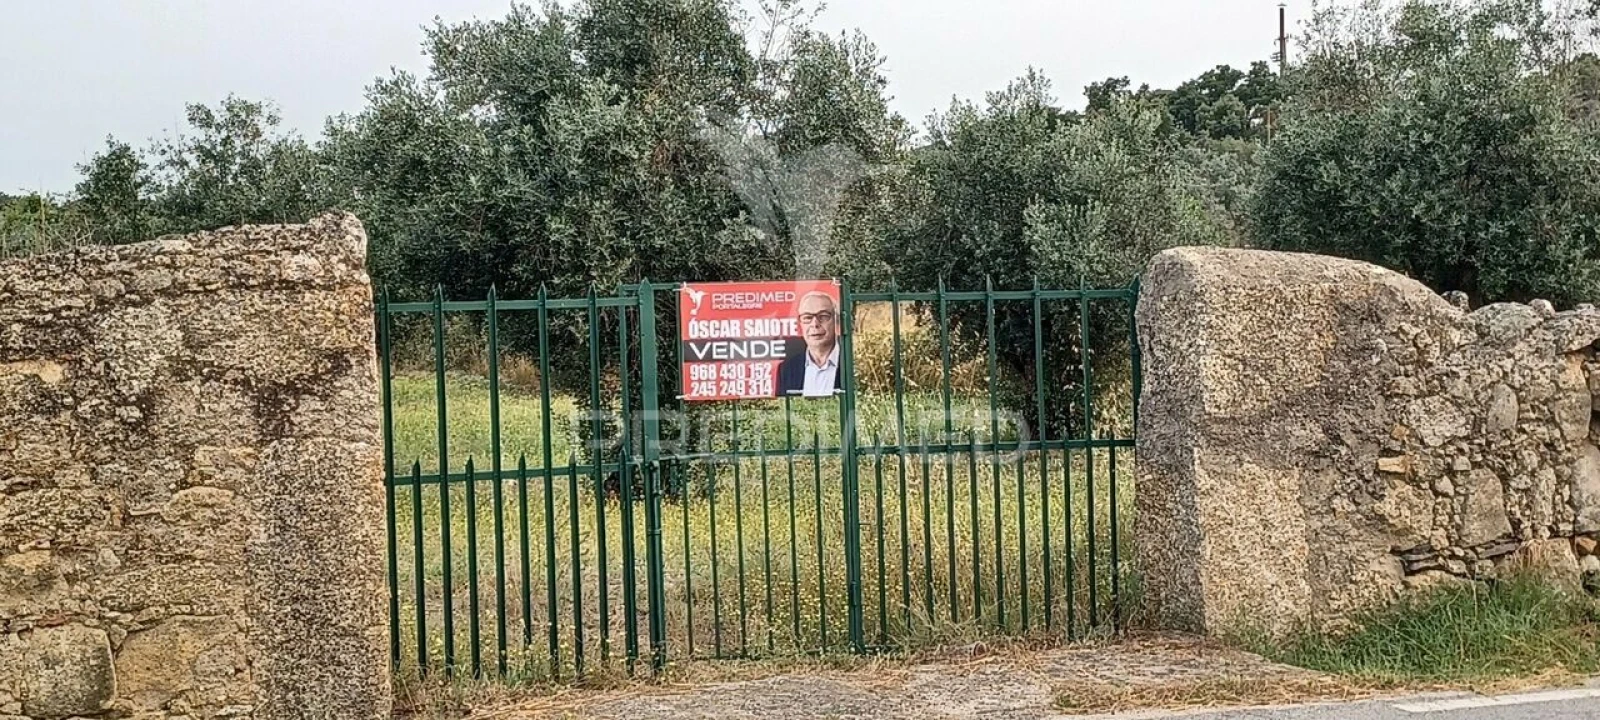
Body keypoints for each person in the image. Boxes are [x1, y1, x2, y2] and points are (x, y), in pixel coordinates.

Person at [776, 291, 841, 397]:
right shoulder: (786, 369)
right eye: (807, 318)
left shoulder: (853, 363)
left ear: (836, 321)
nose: (815, 324)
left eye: (823, 316)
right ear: (800, 324)